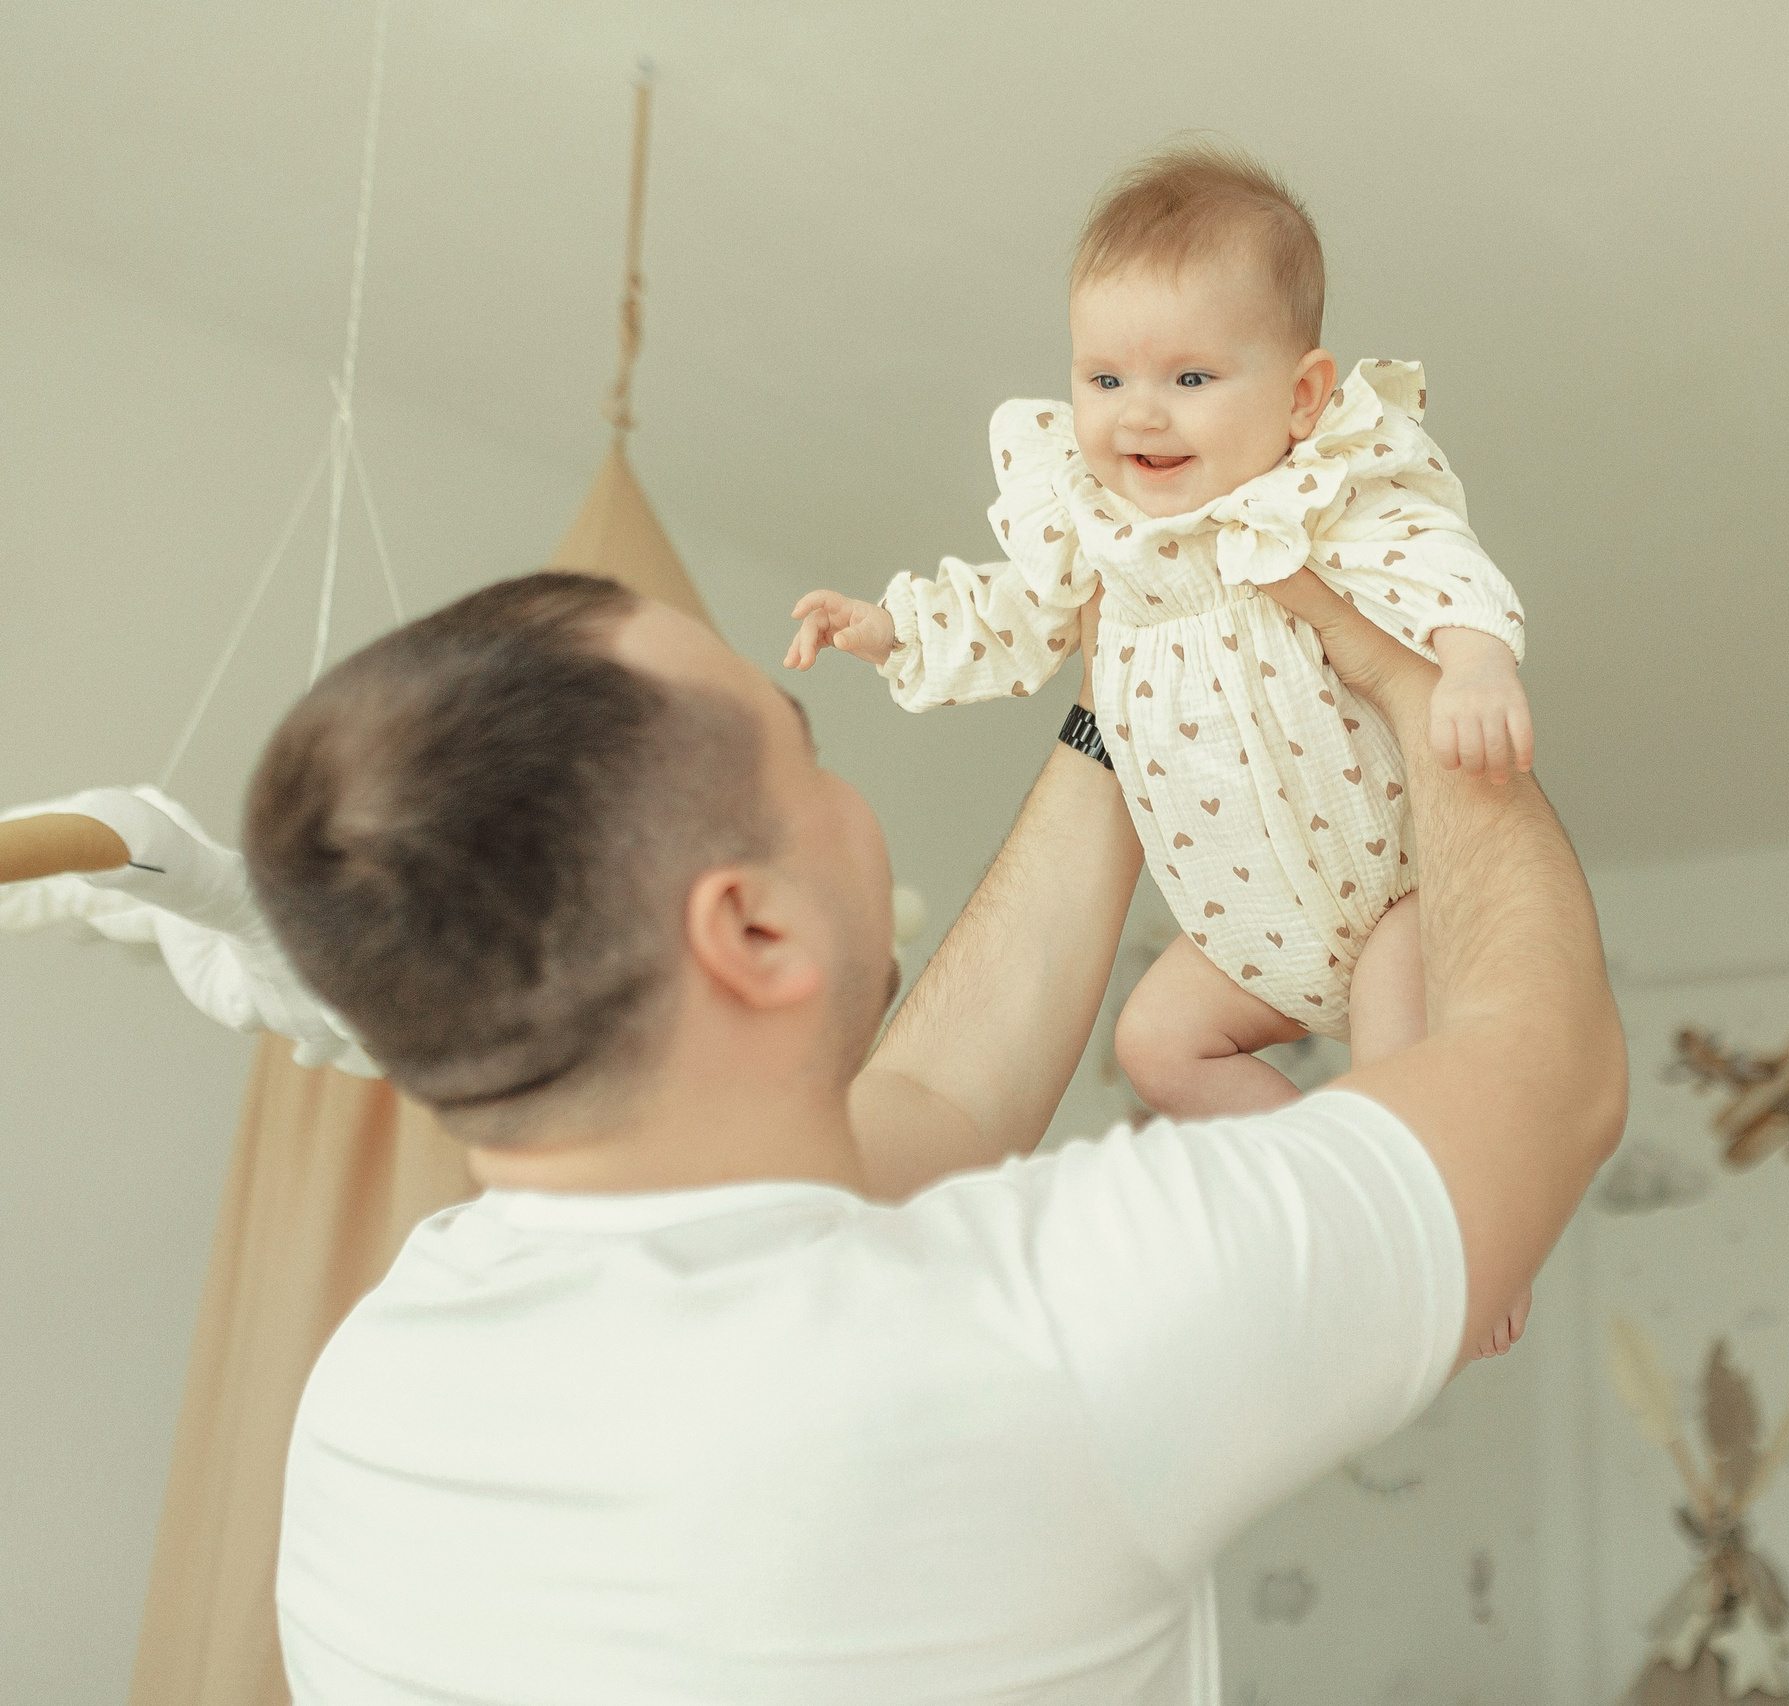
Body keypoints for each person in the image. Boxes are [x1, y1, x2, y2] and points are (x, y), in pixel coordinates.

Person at [241, 563, 1623, 1704]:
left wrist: (1127, 709)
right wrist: (1427, 689)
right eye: (809, 754)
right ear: (755, 927)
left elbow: (937, 1111)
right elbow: (1542, 1079)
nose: (852, 801)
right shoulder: (1033, 1334)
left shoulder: (374, 1386)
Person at [789, 140, 1539, 1355]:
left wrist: (1474, 659)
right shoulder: (1096, 537)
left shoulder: (1322, 503)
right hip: (1242, 926)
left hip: (1383, 888)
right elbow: (1011, 612)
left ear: (1300, 399)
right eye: (1103, 376)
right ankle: (1313, 1163)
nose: (1138, 412)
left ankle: (1459, 1236)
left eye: (1191, 375)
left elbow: (1435, 561)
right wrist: (891, 629)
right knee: (1154, 1039)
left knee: (1406, 1079)